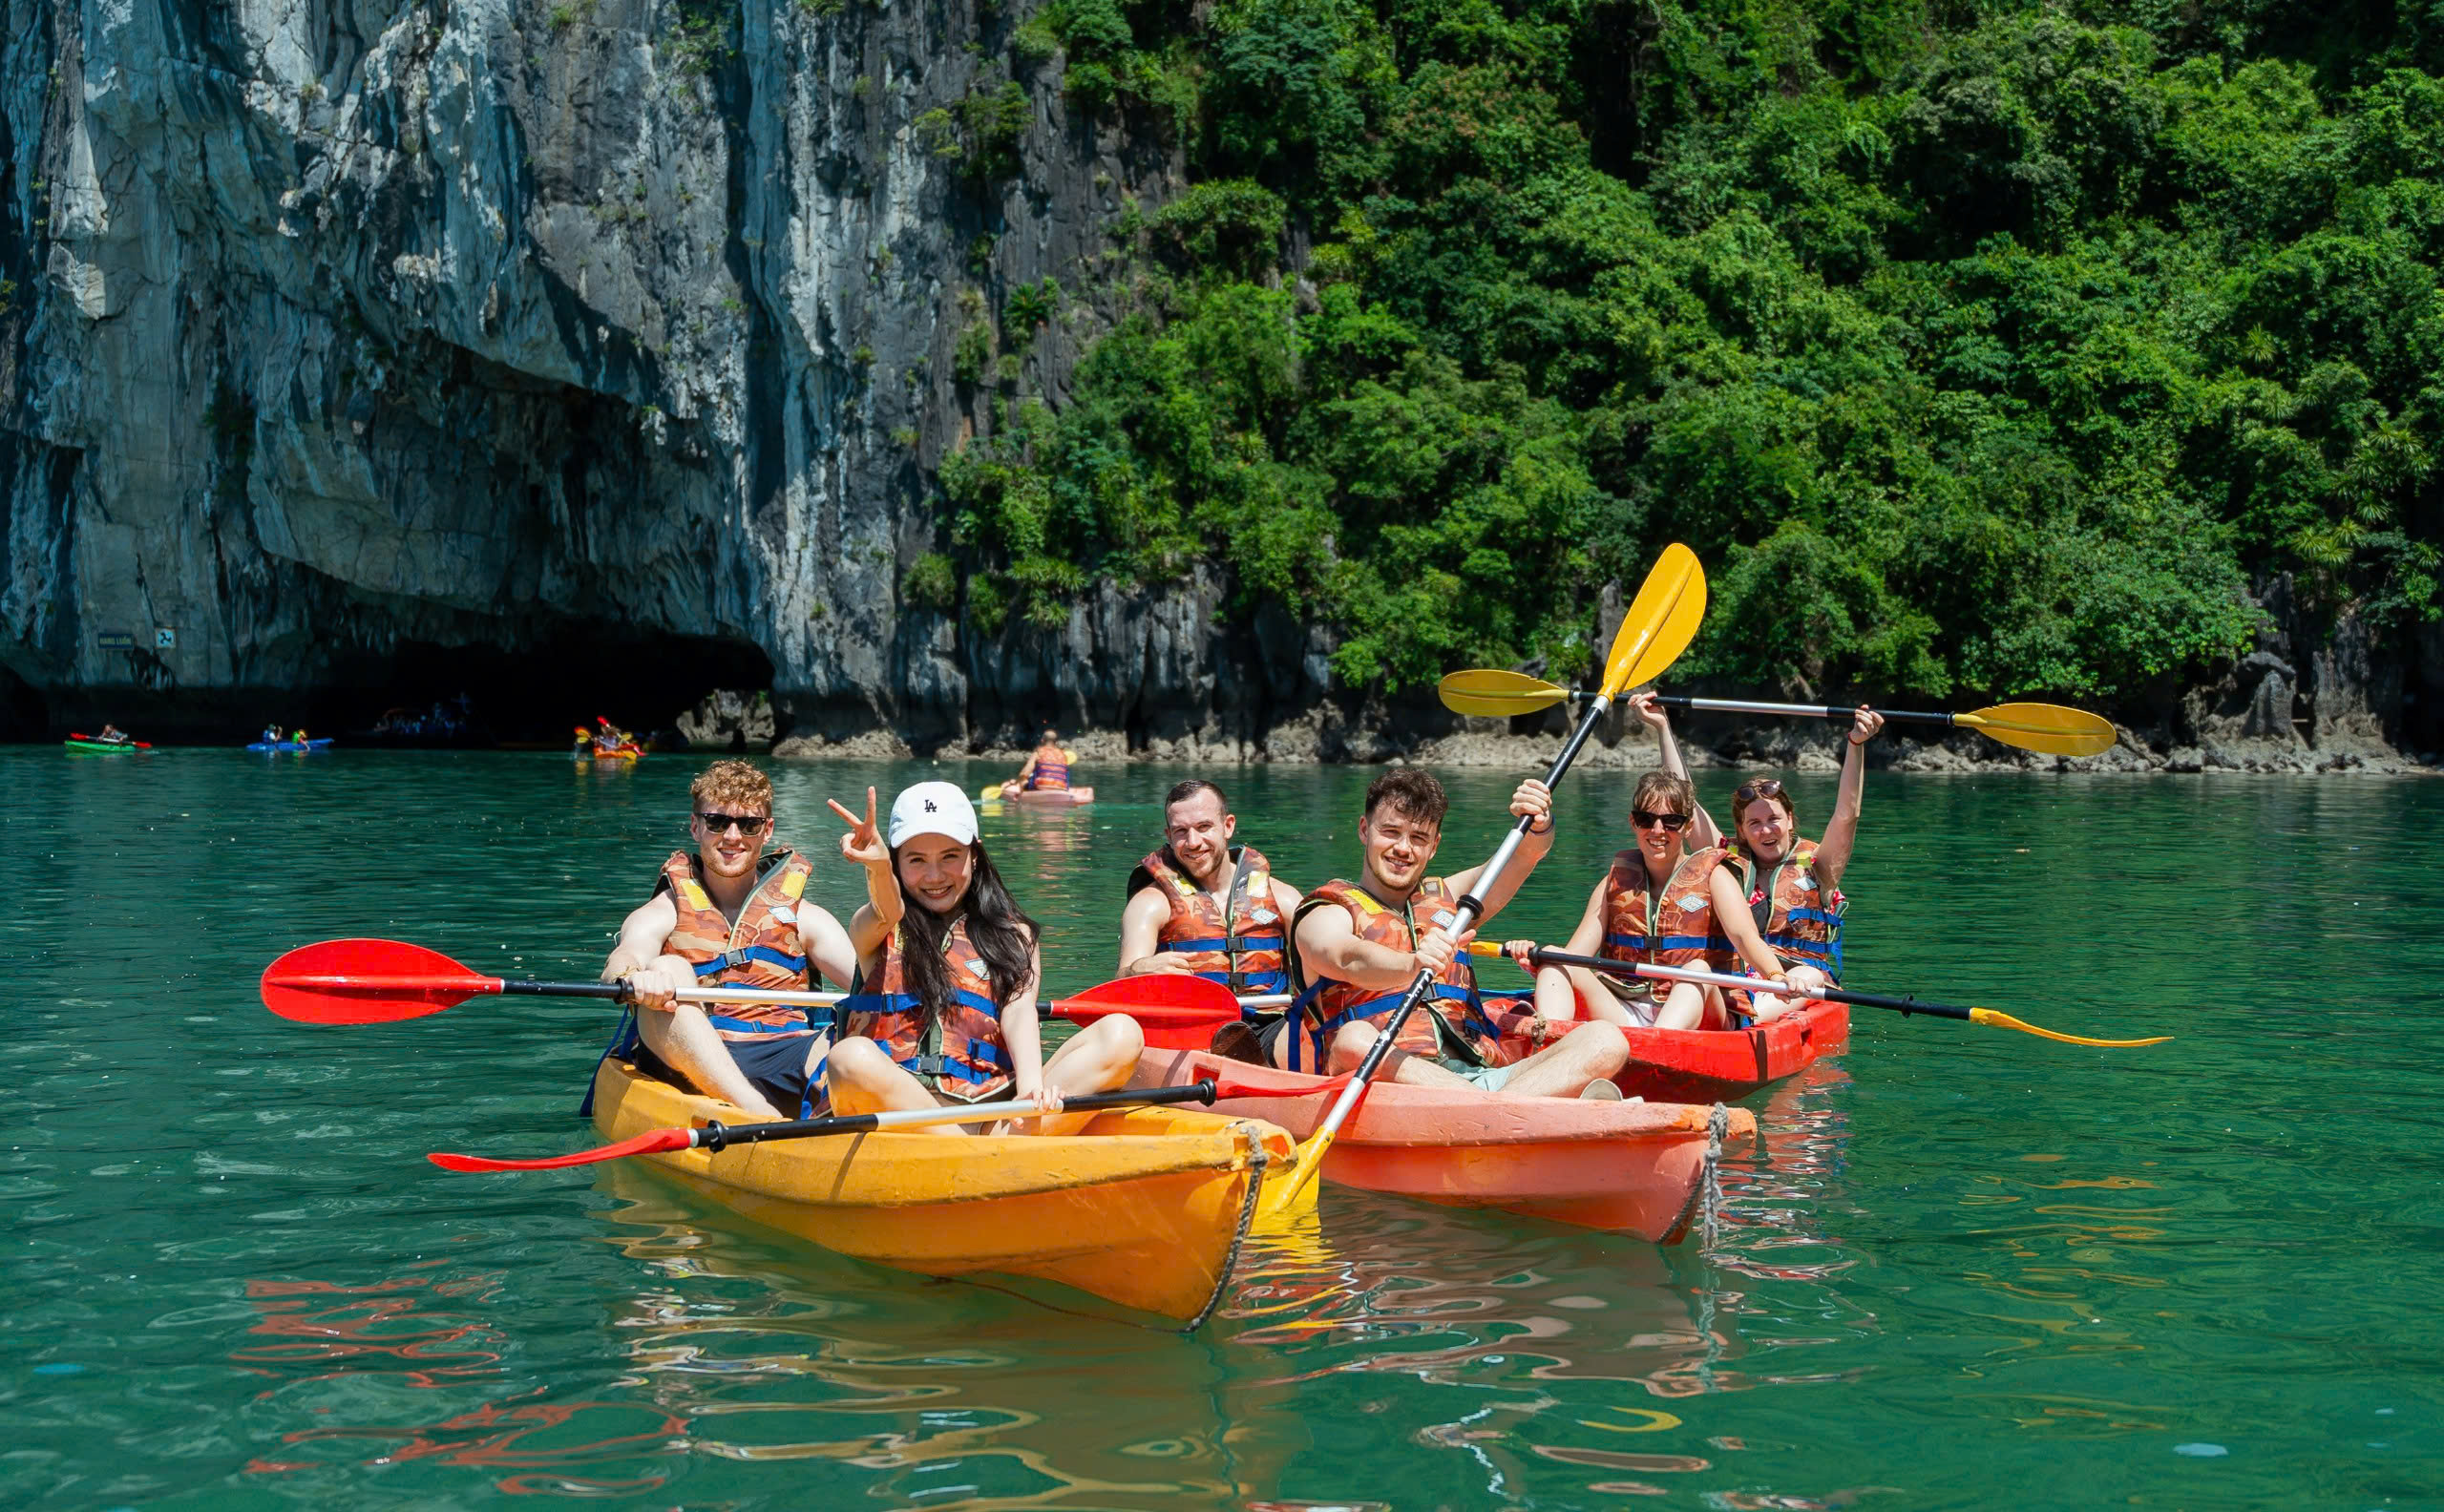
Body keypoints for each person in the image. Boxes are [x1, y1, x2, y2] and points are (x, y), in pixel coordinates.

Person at [1277, 768, 1630, 1097]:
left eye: (1418, 838)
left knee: (1606, 1039)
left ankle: (1493, 1110)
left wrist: (1539, 823)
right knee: (1354, 1038)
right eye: (1390, 832)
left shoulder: (1452, 902)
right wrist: (1411, 964)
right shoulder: (1326, 910)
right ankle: (1503, 1112)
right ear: (1364, 830)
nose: (1404, 848)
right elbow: (1344, 957)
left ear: (1434, 846)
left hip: (1479, 1076)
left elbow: (1525, 855)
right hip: (1384, 1081)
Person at [825, 781, 1142, 1134]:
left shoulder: (1015, 934)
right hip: (902, 1122)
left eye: (950, 856)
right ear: (897, 864)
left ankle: (1000, 1146)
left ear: (974, 856)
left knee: (1122, 1032)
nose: (934, 876)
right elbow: (887, 907)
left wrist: (1031, 1088)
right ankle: (979, 1157)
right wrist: (878, 868)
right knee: (848, 1057)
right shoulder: (876, 927)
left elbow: (1019, 1013)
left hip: (992, 1118)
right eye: (915, 860)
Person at [599, 760, 857, 1121]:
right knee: (666, 965)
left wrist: (881, 871)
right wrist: (634, 976)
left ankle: (838, 1126)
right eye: (718, 822)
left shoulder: (805, 918)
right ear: (695, 827)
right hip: (689, 1058)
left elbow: (874, 985)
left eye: (748, 824)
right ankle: (758, 1113)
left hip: (786, 1050)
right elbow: (625, 956)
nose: (733, 836)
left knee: (852, 1045)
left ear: (766, 831)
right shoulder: (666, 909)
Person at [1501, 692, 1725, 1029]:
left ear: (1687, 826)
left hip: (1696, 1013)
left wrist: (1777, 975)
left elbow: (1747, 943)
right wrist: (1537, 959)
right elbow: (1575, 956)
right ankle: (1549, 1048)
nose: (1658, 830)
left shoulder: (1716, 876)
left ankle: (1660, 1050)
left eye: (1672, 822)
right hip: (1625, 1007)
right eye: (1647, 820)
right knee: (1555, 957)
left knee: (1696, 970)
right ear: (1633, 823)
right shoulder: (1615, 882)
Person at [1667, 705, 1886, 1029]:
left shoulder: (1819, 866)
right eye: (1754, 823)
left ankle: (1742, 1018)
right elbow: (1683, 799)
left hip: (1796, 981)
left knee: (1809, 975)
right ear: (1741, 830)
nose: (1765, 830)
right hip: (1736, 975)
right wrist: (1662, 727)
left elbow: (1847, 815)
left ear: (1790, 820)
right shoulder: (1725, 860)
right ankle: (1710, 1019)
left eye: (1773, 819)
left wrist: (1856, 745)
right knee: (1694, 968)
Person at [1117, 780, 1303, 1004]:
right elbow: (1119, 985)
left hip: (1271, 1026)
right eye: (1181, 831)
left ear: (1228, 826)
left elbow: (1317, 984)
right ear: (1169, 835)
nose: (1193, 842)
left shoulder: (1285, 899)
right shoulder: (1150, 904)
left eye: (1204, 827)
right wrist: (1136, 970)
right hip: (1189, 1027)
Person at [1002, 728, 1072, 797]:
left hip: (1041, 787)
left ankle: (1022, 797)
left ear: (1042, 740)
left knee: (1023, 780)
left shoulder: (1038, 753)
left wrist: (1016, 782)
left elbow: (1024, 773)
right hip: (1061, 788)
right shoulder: (1063, 755)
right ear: (1056, 742)